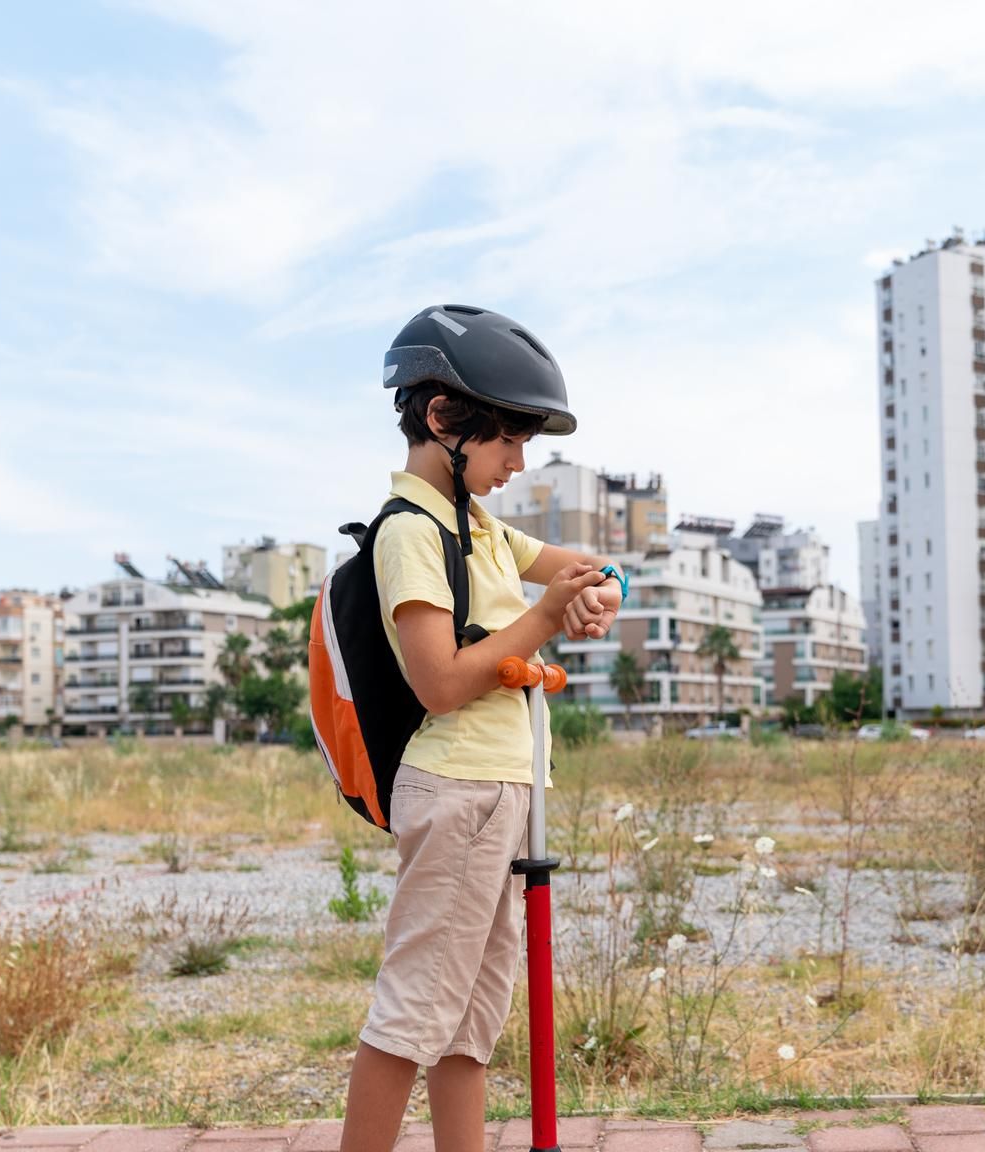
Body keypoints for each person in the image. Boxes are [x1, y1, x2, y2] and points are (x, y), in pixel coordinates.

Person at [340, 306, 625, 1152]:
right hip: (460, 789)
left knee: (468, 1021)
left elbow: (596, 569)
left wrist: (598, 593)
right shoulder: (412, 533)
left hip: (505, 795)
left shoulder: (484, 530)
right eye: (507, 439)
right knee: (414, 1009)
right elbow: (440, 682)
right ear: (442, 420)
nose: (518, 461)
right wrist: (545, 616)